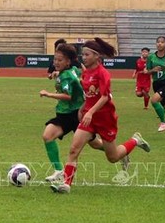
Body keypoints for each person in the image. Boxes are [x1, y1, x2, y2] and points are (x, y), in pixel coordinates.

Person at [51, 38, 151, 194]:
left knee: (113, 157)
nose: (83, 57)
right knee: (73, 150)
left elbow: (105, 97)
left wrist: (90, 111)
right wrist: (83, 109)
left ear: (97, 56)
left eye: (87, 54)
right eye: (82, 54)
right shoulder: (85, 73)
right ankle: (66, 184)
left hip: (105, 119)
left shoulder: (103, 73)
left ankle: (135, 140)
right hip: (88, 118)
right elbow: (89, 95)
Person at [40, 43, 111, 182]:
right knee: (48, 136)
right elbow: (80, 73)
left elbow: (68, 96)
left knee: (95, 144)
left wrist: (48, 94)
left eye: (60, 60)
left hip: (75, 115)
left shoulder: (66, 76)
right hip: (65, 114)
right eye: (55, 59)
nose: (56, 62)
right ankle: (59, 171)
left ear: (68, 61)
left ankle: (116, 152)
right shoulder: (72, 69)